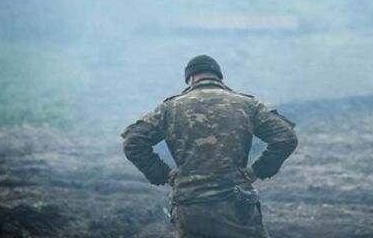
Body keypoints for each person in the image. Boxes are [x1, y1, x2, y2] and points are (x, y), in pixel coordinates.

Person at [121, 55, 298, 237]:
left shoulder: (169, 108)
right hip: (236, 204)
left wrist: (163, 173)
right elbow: (286, 137)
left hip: (190, 204)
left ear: (190, 79)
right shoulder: (247, 105)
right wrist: (258, 170)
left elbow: (133, 140)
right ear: (219, 77)